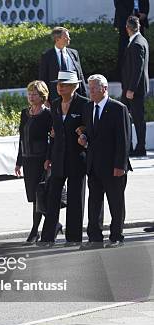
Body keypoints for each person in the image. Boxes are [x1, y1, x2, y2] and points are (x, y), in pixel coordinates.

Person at [78, 75, 132, 248]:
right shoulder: (88, 108)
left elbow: (124, 139)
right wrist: (84, 137)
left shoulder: (118, 108)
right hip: (94, 165)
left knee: (116, 202)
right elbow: (88, 130)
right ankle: (94, 236)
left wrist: (120, 165)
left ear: (104, 88)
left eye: (94, 88)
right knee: (94, 203)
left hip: (113, 166)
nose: (90, 91)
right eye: (89, 88)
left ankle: (117, 236)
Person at [40, 71, 89, 245]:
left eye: (65, 84)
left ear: (74, 86)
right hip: (58, 158)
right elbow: (53, 134)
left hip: (77, 158)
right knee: (53, 198)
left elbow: (91, 128)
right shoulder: (54, 104)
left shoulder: (84, 104)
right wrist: (48, 156)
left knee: (76, 199)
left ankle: (74, 237)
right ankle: (47, 237)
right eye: (59, 84)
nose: (60, 87)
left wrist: (83, 133)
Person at [15, 80, 54, 243]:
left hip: (41, 160)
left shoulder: (48, 114)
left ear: (42, 96)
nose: (31, 96)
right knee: (33, 196)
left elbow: (52, 139)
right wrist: (18, 162)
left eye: (35, 94)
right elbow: (22, 138)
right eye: (29, 93)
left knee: (40, 195)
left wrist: (49, 158)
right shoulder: (25, 113)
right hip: (28, 159)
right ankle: (54, 224)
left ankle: (34, 231)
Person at [122, 16, 150, 157]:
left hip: (134, 89)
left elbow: (137, 69)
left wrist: (131, 89)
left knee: (138, 119)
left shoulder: (137, 43)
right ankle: (131, 146)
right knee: (128, 117)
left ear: (128, 28)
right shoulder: (141, 40)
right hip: (132, 88)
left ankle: (140, 147)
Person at [38, 27, 86, 102]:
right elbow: (43, 78)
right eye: (66, 37)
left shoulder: (74, 53)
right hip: (56, 97)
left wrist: (85, 94)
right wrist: (45, 100)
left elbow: (80, 75)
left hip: (76, 94)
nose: (69, 39)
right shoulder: (47, 56)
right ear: (57, 39)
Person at [115, 0, 150, 78]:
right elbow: (118, 4)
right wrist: (130, 17)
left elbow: (145, 2)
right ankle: (122, 75)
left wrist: (144, 13)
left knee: (140, 47)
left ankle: (142, 73)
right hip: (125, 21)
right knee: (124, 48)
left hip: (139, 20)